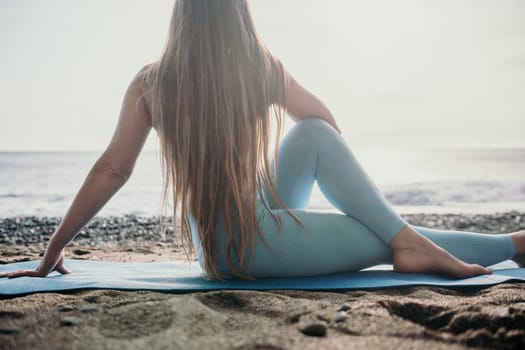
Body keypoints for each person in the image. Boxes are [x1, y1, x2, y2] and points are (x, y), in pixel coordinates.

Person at [1, 0, 524, 281]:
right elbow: (324, 121)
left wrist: (55, 247)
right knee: (382, 236)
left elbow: (112, 170)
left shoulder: (153, 81)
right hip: (247, 252)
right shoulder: (260, 68)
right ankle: (508, 246)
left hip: (221, 243)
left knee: (321, 149)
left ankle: (404, 238)